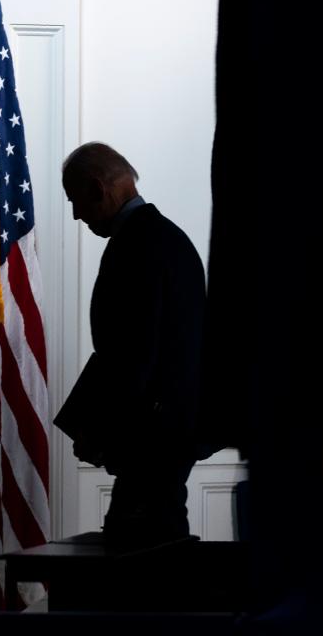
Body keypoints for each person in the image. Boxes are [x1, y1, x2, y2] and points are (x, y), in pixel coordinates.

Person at [54, 142, 207, 547]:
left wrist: (100, 432)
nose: (76, 215)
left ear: (97, 187)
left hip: (152, 439)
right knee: (154, 552)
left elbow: (131, 357)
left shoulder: (138, 245)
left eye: (76, 201)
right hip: (168, 434)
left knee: (143, 563)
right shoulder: (166, 239)